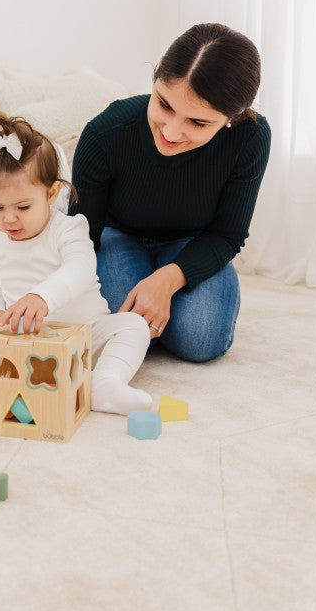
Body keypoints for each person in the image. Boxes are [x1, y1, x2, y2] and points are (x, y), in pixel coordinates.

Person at [0, 112, 153, 416]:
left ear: (51, 193)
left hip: (86, 334)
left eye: (23, 207)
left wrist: (42, 297)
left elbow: (81, 269)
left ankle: (104, 384)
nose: (9, 218)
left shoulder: (69, 228)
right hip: (24, 340)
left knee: (133, 325)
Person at [68, 23, 271, 363]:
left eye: (198, 123)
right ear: (155, 81)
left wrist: (168, 280)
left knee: (202, 340)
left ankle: (167, 311)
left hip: (195, 239)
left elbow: (227, 234)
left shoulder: (249, 138)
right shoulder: (106, 132)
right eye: (164, 105)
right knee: (120, 326)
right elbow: (80, 235)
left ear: (230, 120)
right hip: (119, 236)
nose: (172, 132)